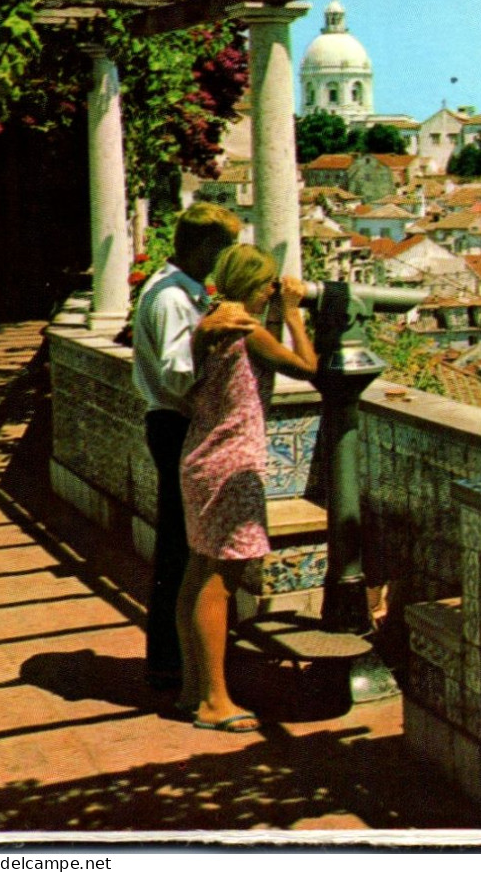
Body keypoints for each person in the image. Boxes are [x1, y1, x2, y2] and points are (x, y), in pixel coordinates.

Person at [176, 245, 317, 732]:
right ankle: (215, 702)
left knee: (198, 572)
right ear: (257, 287)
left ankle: (193, 688)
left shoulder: (215, 321)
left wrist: (274, 313)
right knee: (222, 580)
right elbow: (307, 368)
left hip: (201, 456)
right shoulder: (246, 328)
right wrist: (294, 315)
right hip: (232, 464)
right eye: (269, 285)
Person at [131, 202, 253, 692]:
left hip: (175, 426)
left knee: (185, 548)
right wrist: (207, 337)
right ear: (204, 246)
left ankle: (181, 659)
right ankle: (175, 663)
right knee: (183, 552)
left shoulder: (181, 291)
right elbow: (176, 376)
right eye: (224, 248)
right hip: (176, 425)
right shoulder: (172, 299)